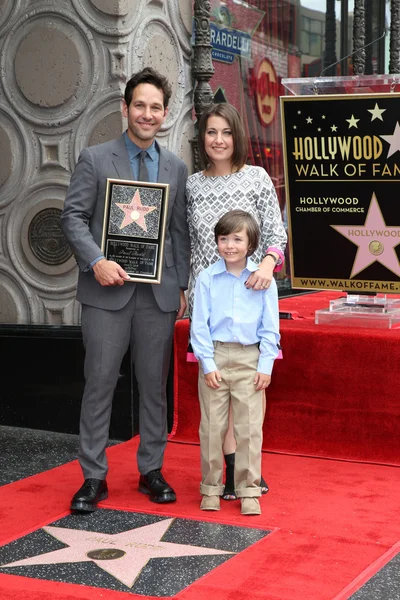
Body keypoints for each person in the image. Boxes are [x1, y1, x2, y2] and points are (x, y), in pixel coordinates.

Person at [60, 67, 190, 512]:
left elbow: (178, 234)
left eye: (156, 107)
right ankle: (93, 477)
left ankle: (151, 469)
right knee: (98, 383)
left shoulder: (176, 168)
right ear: (125, 108)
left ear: (165, 114)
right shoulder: (95, 159)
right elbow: (72, 217)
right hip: (105, 295)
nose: (147, 114)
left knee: (153, 386)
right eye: (140, 105)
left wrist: (183, 285)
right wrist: (96, 261)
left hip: (157, 297)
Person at [186, 103, 286, 500]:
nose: (219, 140)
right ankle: (225, 471)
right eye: (211, 132)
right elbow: (191, 242)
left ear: (237, 136)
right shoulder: (193, 185)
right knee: (216, 391)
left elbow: (276, 232)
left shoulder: (257, 178)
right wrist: (183, 290)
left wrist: (266, 264)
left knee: (242, 396)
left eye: (226, 132)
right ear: (202, 139)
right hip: (207, 301)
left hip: (248, 298)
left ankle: (238, 472)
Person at [191, 209, 280, 515]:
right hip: (216, 356)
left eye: (237, 239)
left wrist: (265, 365)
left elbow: (271, 328)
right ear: (216, 241)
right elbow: (199, 325)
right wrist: (207, 363)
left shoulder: (263, 280)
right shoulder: (206, 278)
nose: (229, 245)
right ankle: (212, 488)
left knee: (250, 428)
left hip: (250, 359)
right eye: (223, 238)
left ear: (251, 244)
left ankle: (249, 490)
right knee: (212, 427)